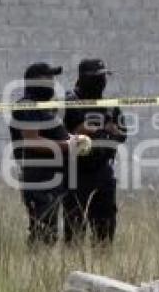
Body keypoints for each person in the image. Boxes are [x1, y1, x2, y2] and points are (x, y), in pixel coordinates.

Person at [9, 62, 90, 247]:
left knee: (50, 232)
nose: (53, 82)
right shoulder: (27, 106)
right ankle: (33, 271)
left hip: (52, 177)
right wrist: (67, 145)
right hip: (38, 178)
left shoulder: (43, 107)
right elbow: (31, 140)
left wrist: (74, 139)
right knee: (43, 233)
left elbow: (52, 134)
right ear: (35, 81)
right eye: (48, 78)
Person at [62, 59, 127, 246]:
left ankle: (102, 267)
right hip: (76, 171)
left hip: (103, 169)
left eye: (104, 77)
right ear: (84, 78)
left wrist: (112, 131)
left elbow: (123, 134)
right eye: (97, 77)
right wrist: (82, 130)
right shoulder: (69, 103)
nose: (102, 81)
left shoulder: (109, 105)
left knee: (105, 226)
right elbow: (58, 133)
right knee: (74, 227)